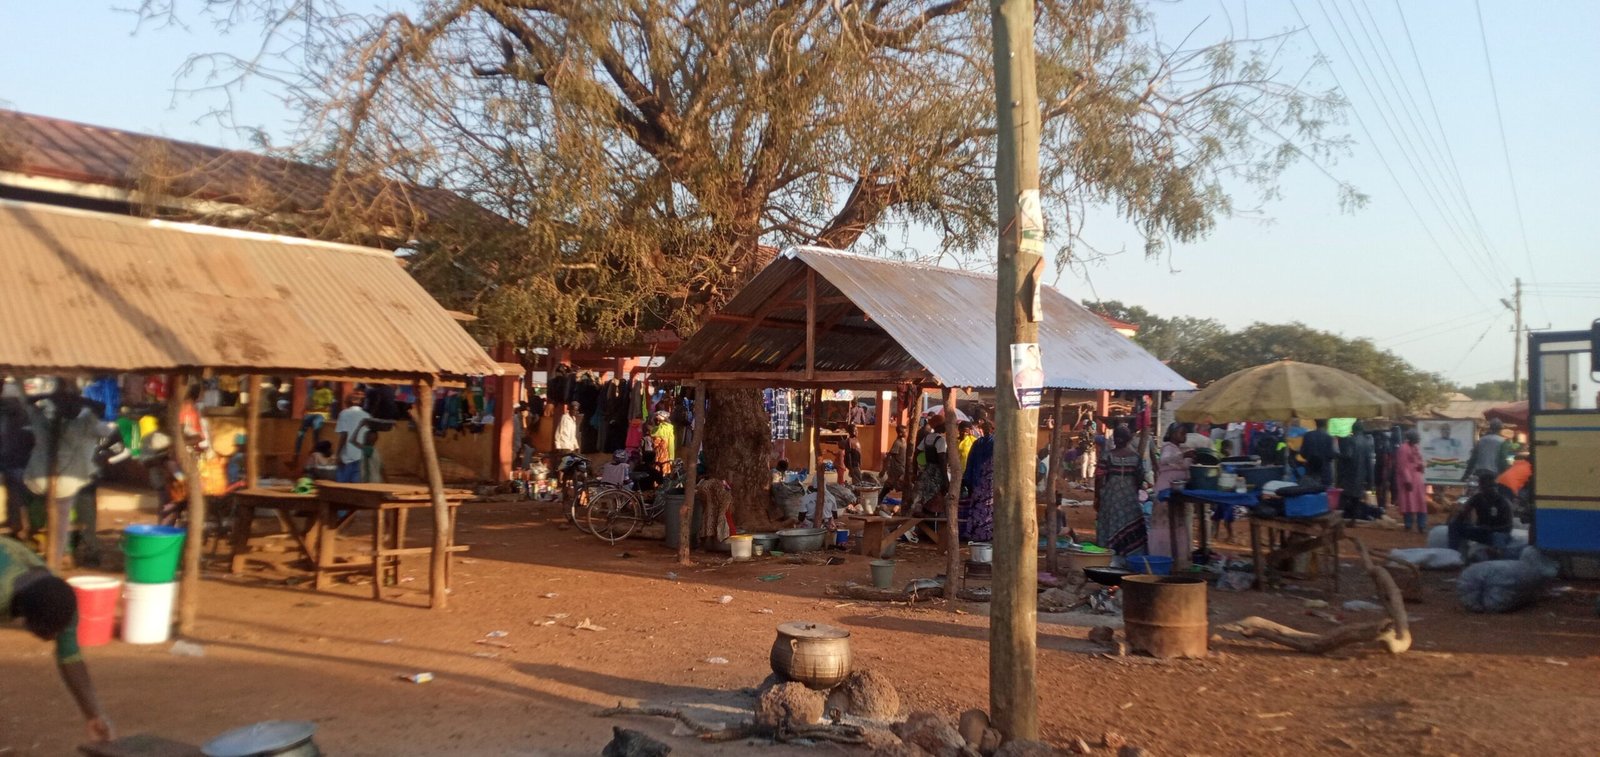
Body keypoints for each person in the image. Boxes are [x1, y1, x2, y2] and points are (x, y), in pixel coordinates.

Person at [2, 536, 114, 741]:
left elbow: (69, 656)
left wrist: (94, 714)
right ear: (27, 620)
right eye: (48, 633)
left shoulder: (60, 599)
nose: (53, 638)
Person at [1095, 425, 1146, 555]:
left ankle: (1109, 554)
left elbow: (1099, 478)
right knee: (1129, 522)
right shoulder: (1136, 457)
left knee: (1110, 522)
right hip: (1129, 497)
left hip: (1111, 496)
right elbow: (1140, 478)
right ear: (1129, 439)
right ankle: (1129, 554)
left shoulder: (1107, 456)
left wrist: (1097, 497)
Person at [1449, 471, 1514, 555]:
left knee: (1498, 536)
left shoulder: (1503, 501)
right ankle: (1452, 553)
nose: (1491, 489)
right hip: (1481, 531)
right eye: (1487, 486)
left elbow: (1508, 527)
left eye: (1492, 486)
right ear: (1481, 486)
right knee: (1454, 525)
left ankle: (1496, 552)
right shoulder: (1477, 498)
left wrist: (1490, 529)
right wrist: (1458, 520)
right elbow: (1462, 515)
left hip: (1497, 532)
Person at [959, 421, 996, 542]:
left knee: (976, 509)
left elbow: (970, 463)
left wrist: (968, 481)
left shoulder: (976, 443)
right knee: (988, 509)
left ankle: (975, 534)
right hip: (990, 482)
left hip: (978, 481)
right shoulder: (996, 443)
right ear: (992, 429)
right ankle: (987, 535)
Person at [1337, 421, 1376, 522]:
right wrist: (1371, 481)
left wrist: (1339, 459)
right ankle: (1353, 520)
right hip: (1361, 475)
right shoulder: (1367, 443)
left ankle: (1339, 519)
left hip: (1349, 473)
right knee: (1356, 499)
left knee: (1344, 497)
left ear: (1353, 430)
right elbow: (1369, 463)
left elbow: (1348, 456)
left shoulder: (1350, 441)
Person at [910, 418, 949, 515]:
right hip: (937, 473)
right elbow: (942, 460)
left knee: (924, 497)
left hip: (927, 470)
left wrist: (915, 471)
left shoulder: (927, 438)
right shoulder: (941, 440)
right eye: (944, 425)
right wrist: (946, 480)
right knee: (935, 499)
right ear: (939, 426)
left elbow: (916, 453)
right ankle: (931, 523)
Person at [291, 381, 335, 467]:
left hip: (321, 414)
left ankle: (316, 449)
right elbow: (308, 404)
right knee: (300, 433)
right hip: (310, 413)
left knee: (316, 426)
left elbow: (328, 405)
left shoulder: (327, 391)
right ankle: (296, 455)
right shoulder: (312, 391)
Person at [332, 389, 370, 484]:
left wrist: (338, 454)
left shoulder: (344, 413)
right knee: (356, 488)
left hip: (347, 456)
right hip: (361, 456)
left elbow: (344, 435)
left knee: (341, 488)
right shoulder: (367, 415)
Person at [1396, 429, 1427, 532]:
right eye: (1417, 437)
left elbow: (1420, 461)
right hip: (1408, 480)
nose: (1419, 439)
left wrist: (1422, 465)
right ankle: (1408, 524)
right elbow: (1402, 466)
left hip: (1417, 478)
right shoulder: (1403, 449)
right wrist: (1407, 480)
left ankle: (1421, 525)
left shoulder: (1415, 447)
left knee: (1421, 502)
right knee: (1408, 502)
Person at [1299, 419, 1335, 484]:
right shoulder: (1328, 437)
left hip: (1310, 470)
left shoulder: (1308, 435)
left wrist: (1310, 458)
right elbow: (1331, 455)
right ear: (1326, 424)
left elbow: (1302, 453)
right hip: (1324, 472)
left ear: (1315, 423)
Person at [882, 427, 906, 494]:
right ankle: (880, 498)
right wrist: (884, 469)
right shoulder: (897, 443)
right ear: (900, 433)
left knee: (897, 484)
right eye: (905, 432)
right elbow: (890, 455)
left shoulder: (903, 441)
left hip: (902, 467)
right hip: (896, 468)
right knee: (891, 484)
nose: (906, 433)